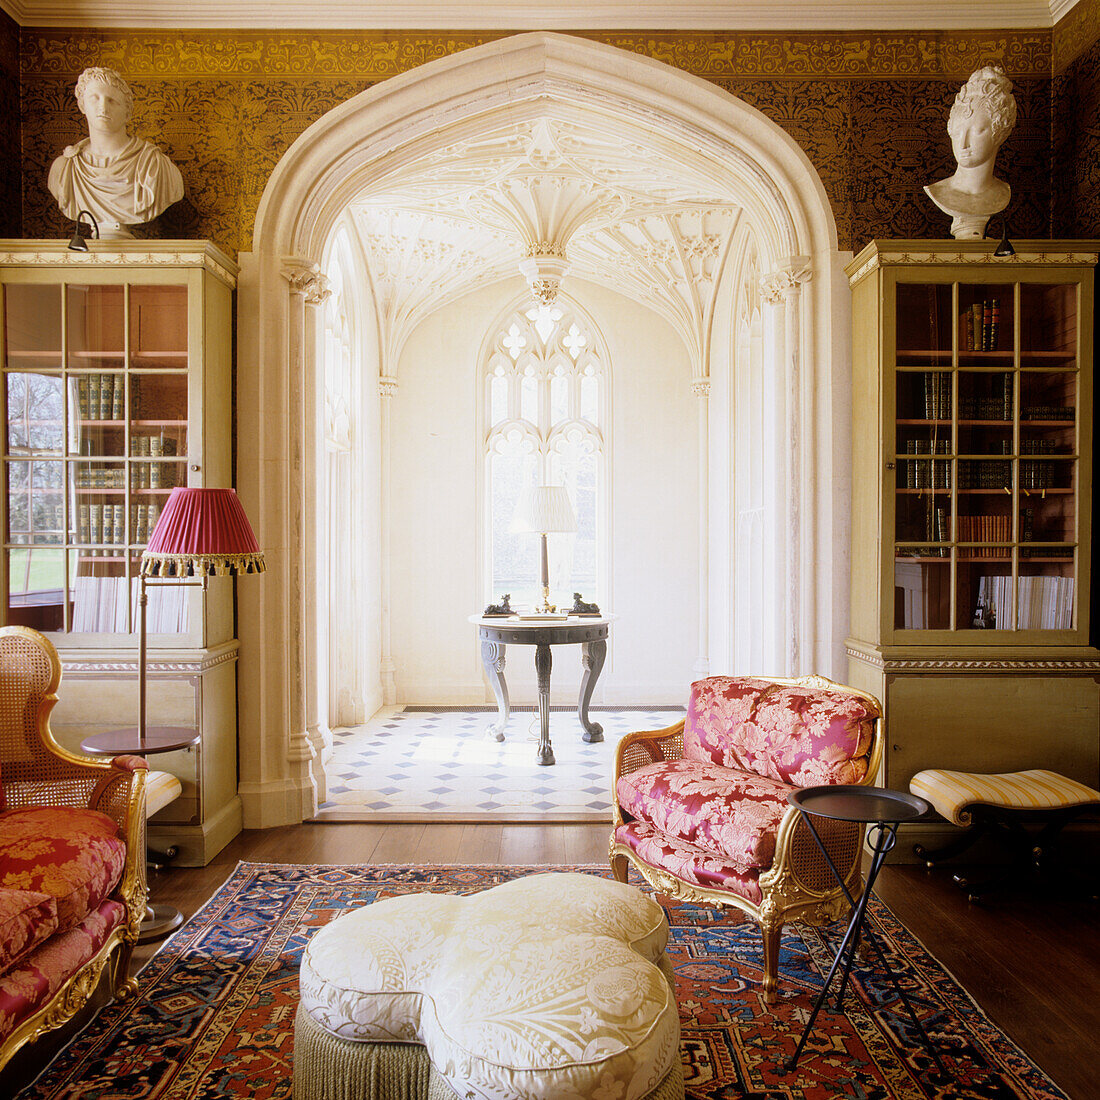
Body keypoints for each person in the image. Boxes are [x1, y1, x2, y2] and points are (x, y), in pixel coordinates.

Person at [48, 67, 183, 239]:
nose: (102, 107)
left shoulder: (156, 166)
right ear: (82, 105)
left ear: (128, 113)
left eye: (112, 101)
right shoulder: (65, 168)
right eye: (94, 98)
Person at [924, 65, 1017, 239]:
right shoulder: (938, 192)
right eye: (958, 132)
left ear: (999, 131)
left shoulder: (1004, 193)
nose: (963, 143)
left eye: (977, 131)